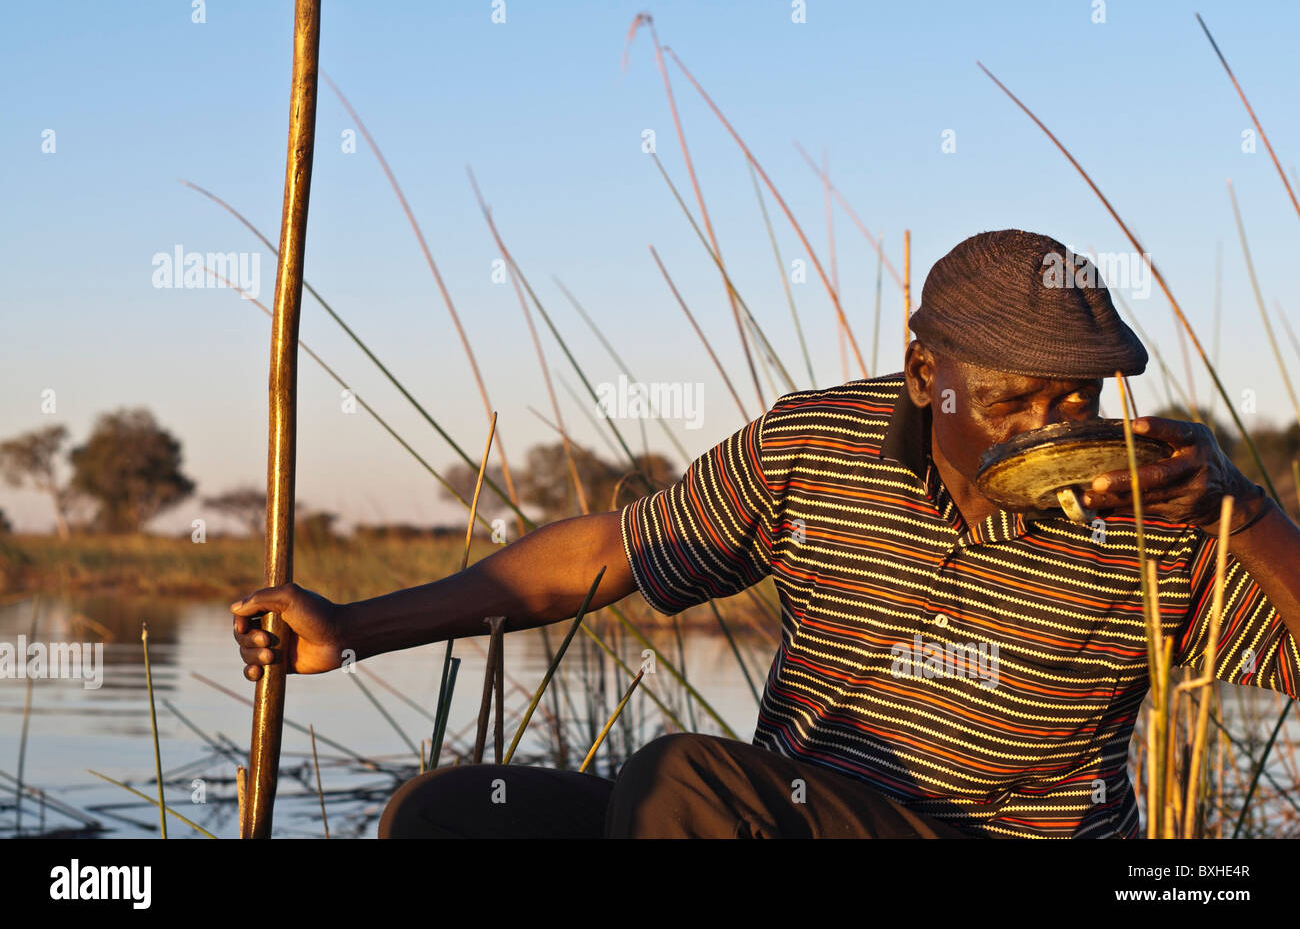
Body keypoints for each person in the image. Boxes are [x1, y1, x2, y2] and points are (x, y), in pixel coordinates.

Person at [231, 229, 1300, 838]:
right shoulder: (816, 447)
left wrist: (1238, 509)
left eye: (1078, 401)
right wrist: (351, 628)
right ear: (928, 380)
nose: (1056, 430)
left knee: (684, 787)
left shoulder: (1160, 514)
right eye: (1017, 404)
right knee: (451, 818)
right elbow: (603, 556)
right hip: (798, 820)